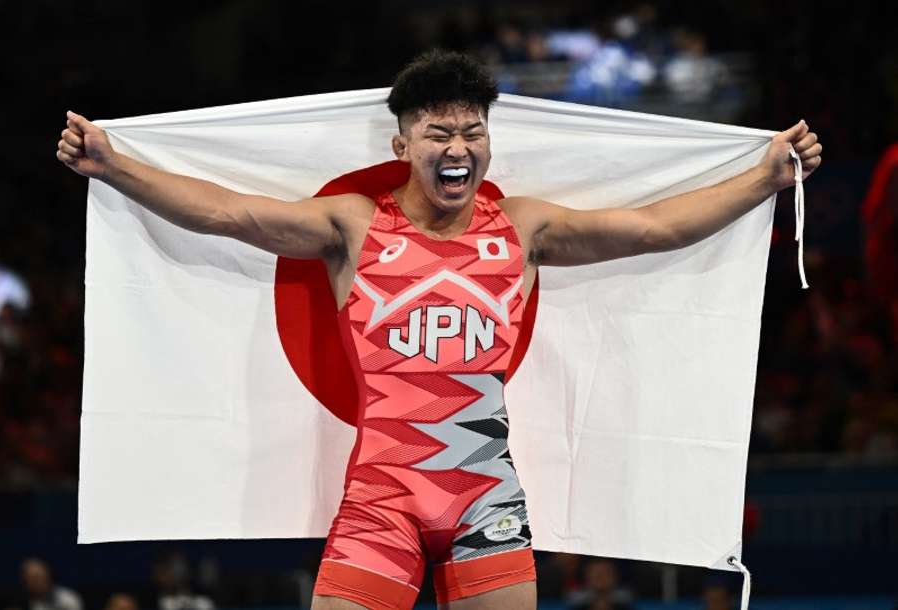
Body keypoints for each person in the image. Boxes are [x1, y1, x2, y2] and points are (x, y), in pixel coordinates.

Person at [56, 49, 821, 610]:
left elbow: (655, 228)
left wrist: (764, 177)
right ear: (402, 145)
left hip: (485, 497)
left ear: (488, 139)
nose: (457, 148)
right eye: (437, 133)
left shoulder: (525, 227)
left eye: (471, 131)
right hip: (380, 499)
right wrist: (116, 166)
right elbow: (226, 213)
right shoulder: (352, 227)